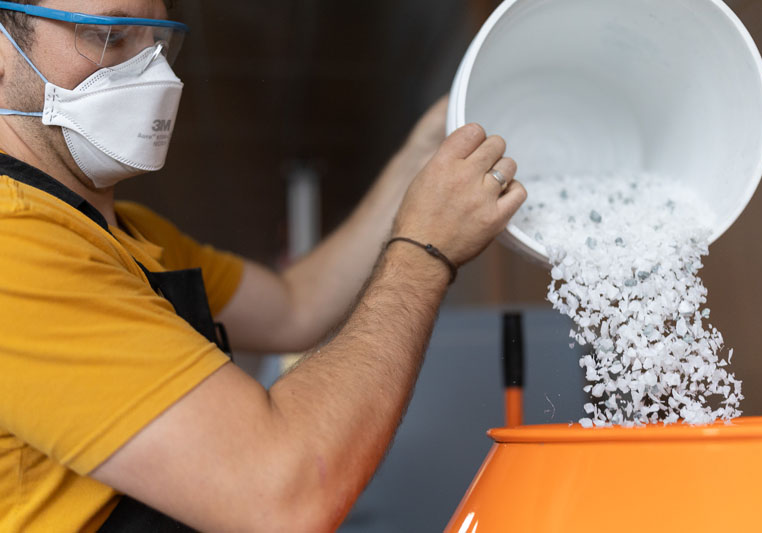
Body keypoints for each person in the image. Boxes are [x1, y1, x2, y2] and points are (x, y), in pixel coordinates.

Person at [0, 1, 525, 531]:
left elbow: (295, 306)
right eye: (111, 36)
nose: (151, 70)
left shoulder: (121, 231)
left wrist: (425, 153)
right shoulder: (14, 243)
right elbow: (280, 495)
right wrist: (424, 250)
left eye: (156, 39)